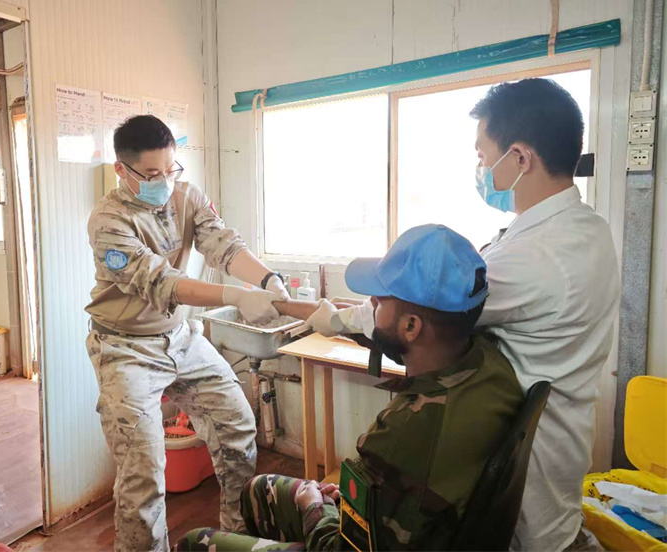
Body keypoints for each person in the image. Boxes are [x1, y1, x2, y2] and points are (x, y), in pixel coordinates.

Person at [303, 78, 619, 551]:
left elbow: (422, 309)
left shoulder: (538, 259)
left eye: (483, 155)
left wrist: (332, 319)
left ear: (520, 158)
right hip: (556, 450)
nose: (481, 168)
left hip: (531, 480)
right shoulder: (586, 229)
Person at [175, 224, 524, 552]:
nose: (370, 304)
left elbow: (340, 547)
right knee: (258, 488)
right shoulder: (487, 361)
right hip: (432, 524)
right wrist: (296, 307)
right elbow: (375, 326)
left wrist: (314, 507)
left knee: (195, 542)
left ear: (412, 327)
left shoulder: (404, 434)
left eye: (379, 301)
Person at [85, 115, 289, 552]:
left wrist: (267, 279)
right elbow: (163, 283)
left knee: (237, 427)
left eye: (171, 169)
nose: (165, 181)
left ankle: (238, 537)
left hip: (180, 337)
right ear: (121, 169)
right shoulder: (108, 221)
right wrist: (236, 294)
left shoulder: (186, 195)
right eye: (152, 174)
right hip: (125, 348)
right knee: (141, 474)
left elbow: (224, 245)